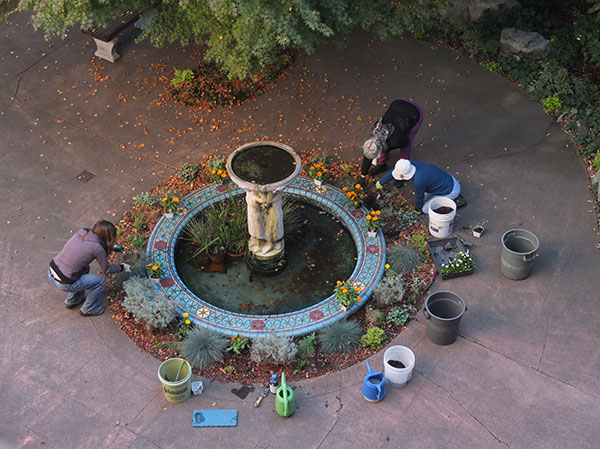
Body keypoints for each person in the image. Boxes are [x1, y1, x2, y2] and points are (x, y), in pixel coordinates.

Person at [48, 220, 130, 316]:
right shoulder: (97, 248)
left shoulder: (82, 232)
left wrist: (110, 248)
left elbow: (85, 248)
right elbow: (107, 269)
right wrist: (122, 267)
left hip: (52, 271)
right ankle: (90, 308)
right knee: (100, 281)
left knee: (84, 268)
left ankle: (73, 300)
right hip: (64, 282)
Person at [359, 99, 423, 182]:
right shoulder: (374, 133)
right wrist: (363, 175)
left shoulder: (396, 140)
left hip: (414, 113)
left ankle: (403, 173)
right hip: (397, 105)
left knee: (405, 148)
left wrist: (402, 170)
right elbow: (369, 154)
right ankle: (382, 165)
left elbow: (405, 143)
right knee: (386, 146)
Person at [376, 159, 461, 214]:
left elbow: (418, 197)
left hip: (451, 190)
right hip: (447, 179)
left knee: (425, 209)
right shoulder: (410, 165)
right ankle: (441, 197)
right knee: (426, 198)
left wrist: (417, 210)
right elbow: (395, 171)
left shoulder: (419, 181)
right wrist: (381, 182)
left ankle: (453, 201)